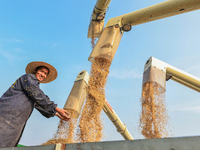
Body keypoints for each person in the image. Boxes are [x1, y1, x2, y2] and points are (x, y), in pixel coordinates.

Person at [0, 61, 71, 148]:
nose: (43, 75)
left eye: (45, 73)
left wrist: (56, 113)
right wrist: (57, 109)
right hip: (6, 116)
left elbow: (38, 102)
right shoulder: (28, 77)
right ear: (35, 71)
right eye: (41, 71)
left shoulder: (32, 90)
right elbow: (37, 95)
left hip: (15, 121)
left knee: (7, 144)